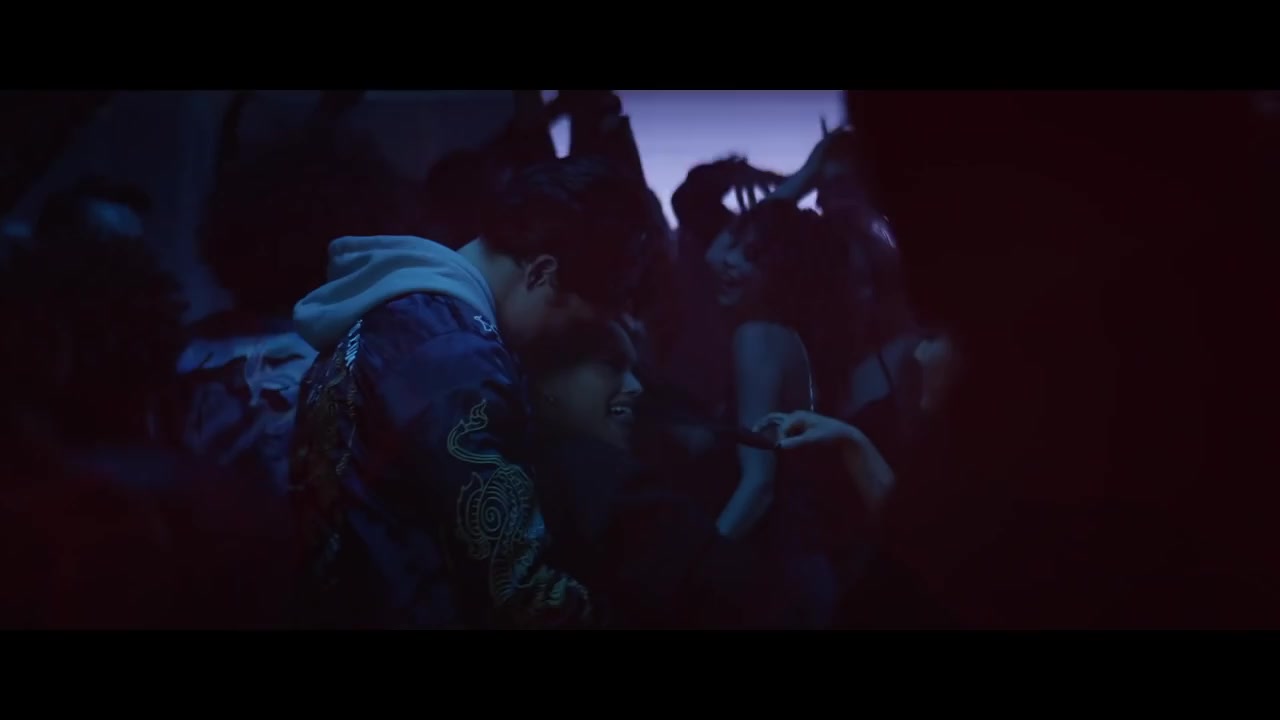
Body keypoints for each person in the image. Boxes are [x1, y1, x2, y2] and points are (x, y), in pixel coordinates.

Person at [288, 155, 665, 629]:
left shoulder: (394, 312)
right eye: (576, 326)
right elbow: (518, 593)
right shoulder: (458, 360)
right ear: (541, 273)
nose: (561, 346)